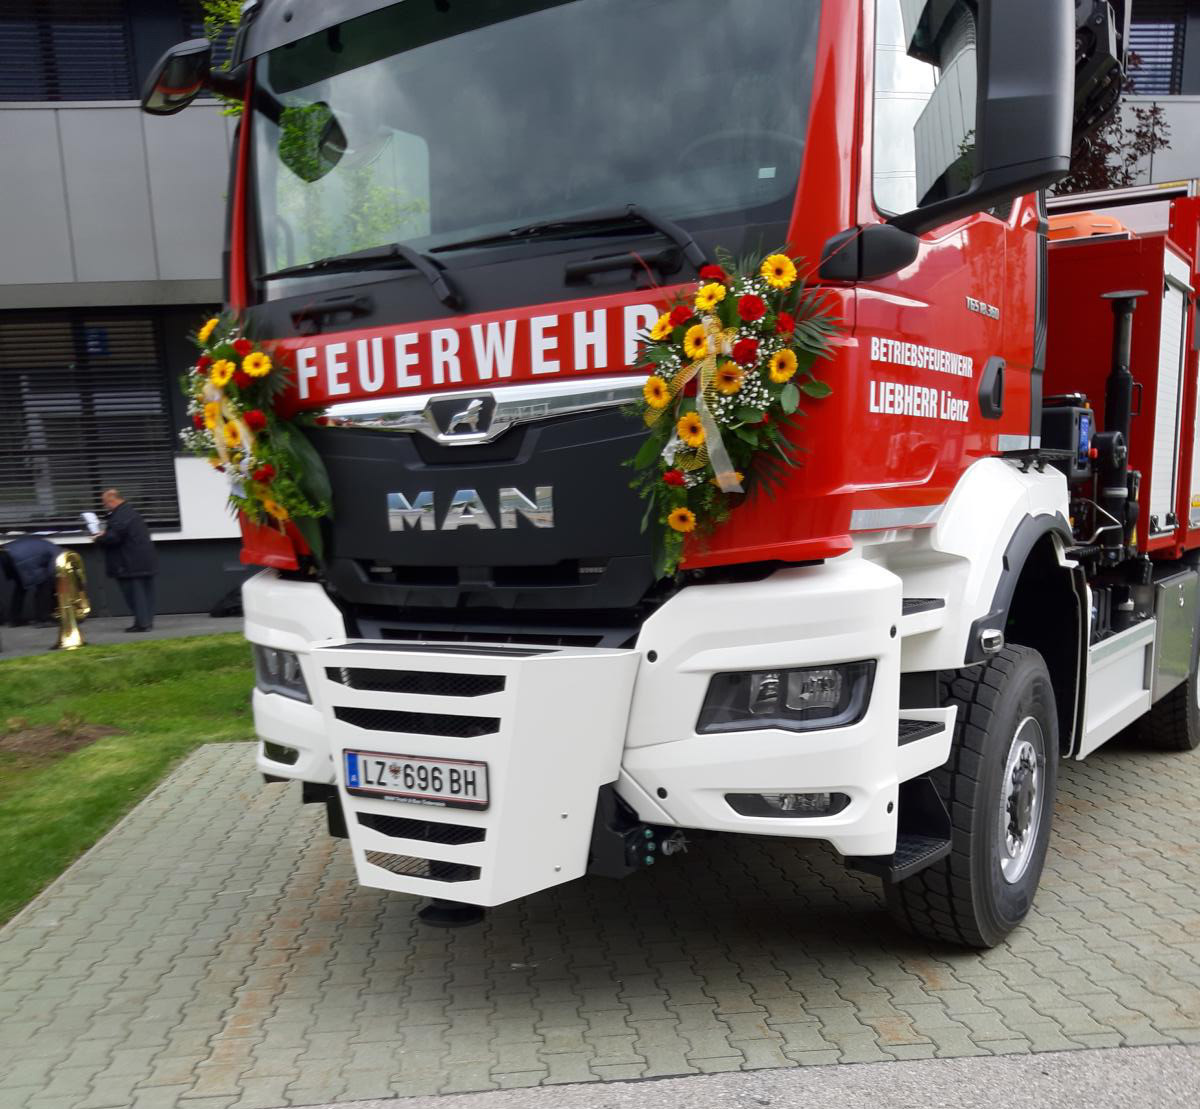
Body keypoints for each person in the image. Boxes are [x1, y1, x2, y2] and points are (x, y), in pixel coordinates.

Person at [95, 488, 157, 632]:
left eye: (105, 503)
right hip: (144, 560)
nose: (105, 507)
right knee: (146, 593)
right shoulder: (132, 512)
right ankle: (146, 621)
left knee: (134, 594)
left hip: (128, 562)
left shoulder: (120, 515)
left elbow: (114, 537)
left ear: (112, 500)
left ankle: (141, 624)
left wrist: (99, 538)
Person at [0, 536, 60, 627]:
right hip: (21, 558)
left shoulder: (50, 546)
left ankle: (14, 619)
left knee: (20, 588)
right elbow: (52, 571)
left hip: (7, 554)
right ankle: (43, 620)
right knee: (44, 585)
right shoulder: (58, 553)